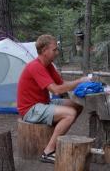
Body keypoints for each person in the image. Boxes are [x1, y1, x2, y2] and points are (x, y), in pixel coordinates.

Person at [17, 34, 91, 163]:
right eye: (54, 49)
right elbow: (56, 90)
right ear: (44, 51)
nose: (57, 52)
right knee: (70, 114)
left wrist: (84, 86)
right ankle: (48, 151)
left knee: (77, 105)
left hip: (44, 103)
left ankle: (56, 134)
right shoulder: (35, 66)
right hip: (30, 110)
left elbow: (61, 84)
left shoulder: (49, 66)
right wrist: (79, 81)